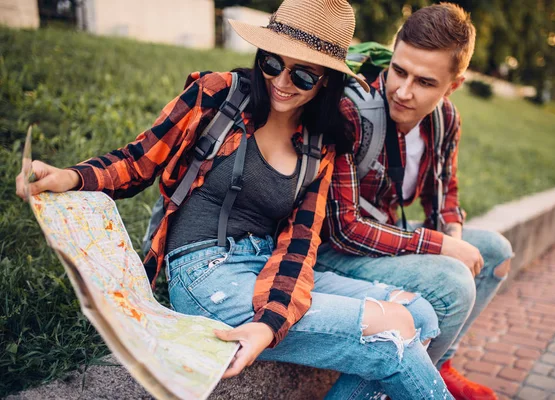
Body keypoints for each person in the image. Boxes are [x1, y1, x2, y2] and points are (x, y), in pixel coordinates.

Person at [16, 0, 455, 398]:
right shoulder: (219, 95)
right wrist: (70, 176)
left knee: (419, 314)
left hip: (267, 270)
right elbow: (137, 161)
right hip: (206, 274)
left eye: (303, 74)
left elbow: (299, 246)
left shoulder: (321, 144)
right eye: (271, 62)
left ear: (326, 82)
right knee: (391, 336)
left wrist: (270, 323)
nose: (281, 82)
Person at [317, 3, 513, 400]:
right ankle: (396, 388)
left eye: (424, 82)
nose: (403, 91)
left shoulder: (445, 119)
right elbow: (343, 229)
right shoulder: (352, 111)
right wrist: (442, 247)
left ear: (452, 86)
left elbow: (445, 195)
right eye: (399, 71)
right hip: (331, 250)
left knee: (494, 252)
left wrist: (452, 234)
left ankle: (438, 365)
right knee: (454, 284)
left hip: (386, 240)